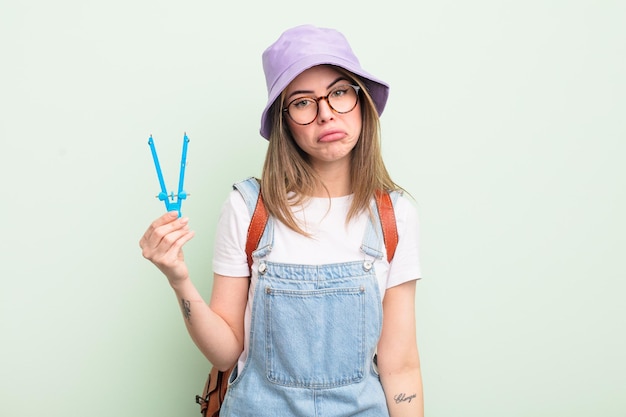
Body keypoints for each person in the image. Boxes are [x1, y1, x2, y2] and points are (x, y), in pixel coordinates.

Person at [140, 24, 423, 417]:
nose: (326, 114)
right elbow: (226, 353)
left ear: (361, 102)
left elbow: (401, 365)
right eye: (303, 102)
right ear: (284, 120)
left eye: (339, 92)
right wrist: (178, 279)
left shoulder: (395, 216)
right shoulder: (248, 209)